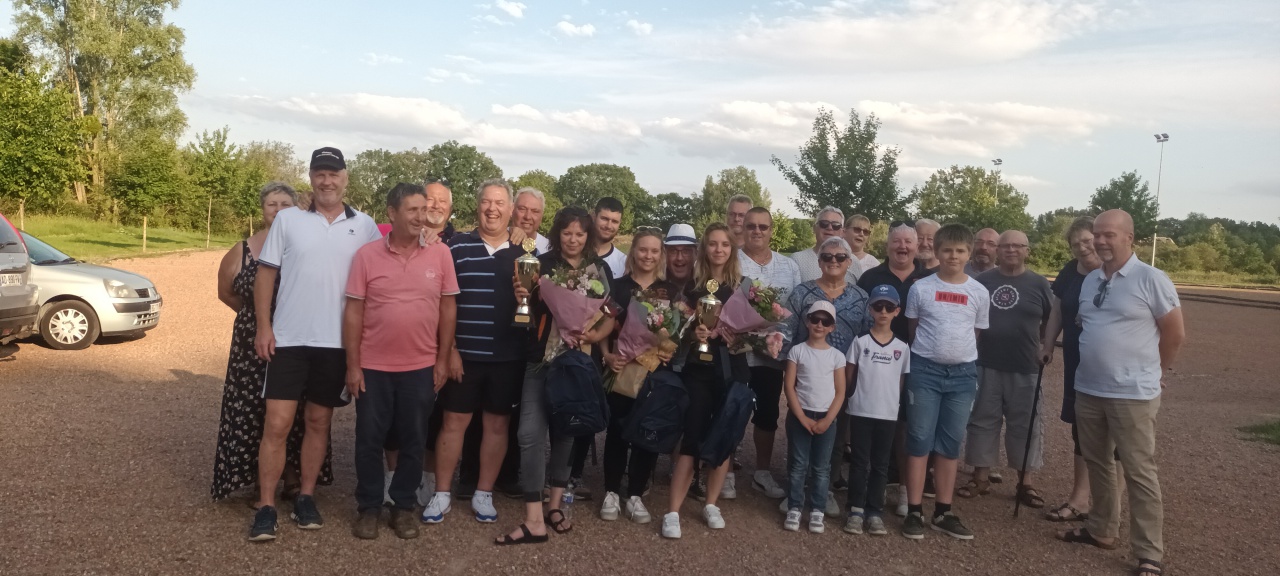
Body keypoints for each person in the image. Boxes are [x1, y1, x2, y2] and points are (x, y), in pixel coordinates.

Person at [248, 147, 382, 541]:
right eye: (320, 173)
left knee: (318, 422)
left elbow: (390, 259)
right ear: (310, 178)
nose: (327, 181)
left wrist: (426, 236)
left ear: (345, 178)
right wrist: (263, 326)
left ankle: (306, 496)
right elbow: (265, 275)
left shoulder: (365, 226)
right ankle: (266, 505)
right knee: (277, 424)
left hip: (336, 343)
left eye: (333, 173)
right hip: (288, 339)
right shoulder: (288, 220)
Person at [1057, 210, 1184, 576]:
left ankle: (1148, 552)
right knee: (1098, 462)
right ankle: (1101, 529)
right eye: (1097, 234)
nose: (1100, 241)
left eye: (1109, 234)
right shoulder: (1091, 280)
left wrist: (1157, 372)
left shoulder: (1151, 279)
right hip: (1088, 387)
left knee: (1139, 470)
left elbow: (1174, 333)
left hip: (1132, 393)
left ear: (1130, 237)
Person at [343, 183, 459, 540]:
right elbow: (354, 312)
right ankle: (369, 508)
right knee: (369, 439)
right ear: (391, 213)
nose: (421, 216)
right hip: (373, 366)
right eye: (412, 210)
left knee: (413, 439)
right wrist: (353, 365)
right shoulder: (366, 256)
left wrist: (442, 359)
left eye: (424, 209)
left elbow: (448, 309)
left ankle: (403, 507)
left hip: (420, 366)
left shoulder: (440, 255)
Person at [498, 206, 616, 545]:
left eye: (579, 234)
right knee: (529, 433)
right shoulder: (542, 264)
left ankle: (554, 506)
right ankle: (533, 517)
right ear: (557, 234)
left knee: (566, 431)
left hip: (578, 362)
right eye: (567, 233)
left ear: (588, 236)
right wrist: (522, 295)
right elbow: (529, 309)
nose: (573, 240)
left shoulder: (599, 268)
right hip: (540, 360)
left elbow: (611, 314)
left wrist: (593, 335)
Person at [213, 182, 334, 503]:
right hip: (251, 342)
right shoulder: (242, 249)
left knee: (296, 411)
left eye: (285, 204)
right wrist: (256, 317)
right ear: (262, 209)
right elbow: (225, 292)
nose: (278, 210)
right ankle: (258, 480)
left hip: (296, 338)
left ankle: (293, 476)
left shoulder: (302, 241)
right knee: (254, 410)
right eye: (272, 204)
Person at [423, 179, 529, 525]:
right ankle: (441, 493)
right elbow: (442, 303)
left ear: (510, 210)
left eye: (499, 203)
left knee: (497, 425)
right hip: (464, 355)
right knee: (453, 422)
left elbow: (535, 306)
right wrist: (450, 349)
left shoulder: (526, 252)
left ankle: (484, 493)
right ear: (477, 205)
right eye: (486, 202)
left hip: (507, 356)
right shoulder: (455, 247)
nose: (492, 209)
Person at [901, 223, 989, 541]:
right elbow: (914, 329)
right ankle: (914, 510)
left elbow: (975, 333)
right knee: (919, 439)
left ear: (969, 253)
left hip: (962, 375)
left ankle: (943, 511)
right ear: (937, 252)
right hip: (925, 371)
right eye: (947, 250)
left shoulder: (979, 292)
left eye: (960, 251)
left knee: (950, 444)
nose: (953, 256)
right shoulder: (920, 288)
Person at [662, 223, 749, 539]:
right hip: (697, 371)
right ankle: (673, 511)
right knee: (692, 436)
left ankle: (711, 503)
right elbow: (675, 332)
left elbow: (752, 337)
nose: (718, 250)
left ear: (731, 249)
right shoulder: (693, 289)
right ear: (704, 248)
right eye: (712, 244)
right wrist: (693, 333)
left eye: (724, 244)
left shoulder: (744, 289)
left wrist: (735, 336)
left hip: (732, 371)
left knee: (723, 437)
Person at [958, 230, 1052, 508]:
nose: (1011, 250)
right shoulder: (983, 281)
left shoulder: (1039, 283)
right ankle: (980, 477)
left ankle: (1025, 482)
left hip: (1025, 364)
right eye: (1005, 246)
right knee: (982, 420)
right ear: (997, 250)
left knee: (1026, 424)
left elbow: (1051, 318)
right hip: (986, 361)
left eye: (1017, 246)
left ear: (1027, 251)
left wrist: (1045, 345)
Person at [781, 237, 870, 504]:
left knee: (836, 432)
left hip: (842, 376)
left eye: (840, 257)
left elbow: (867, 337)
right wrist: (784, 360)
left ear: (849, 262)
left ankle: (825, 490)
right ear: (819, 262)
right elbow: (787, 330)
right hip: (806, 374)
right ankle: (795, 491)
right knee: (799, 430)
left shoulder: (861, 297)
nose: (834, 261)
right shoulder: (802, 293)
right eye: (827, 257)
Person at [598, 228, 676, 524]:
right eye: (643, 250)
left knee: (647, 431)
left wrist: (669, 350)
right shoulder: (618, 287)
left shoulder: (670, 291)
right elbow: (601, 322)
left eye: (654, 251)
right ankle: (610, 491)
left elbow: (676, 330)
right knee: (617, 431)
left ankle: (635, 494)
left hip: (654, 372)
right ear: (633, 252)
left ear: (661, 255)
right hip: (622, 368)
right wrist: (606, 354)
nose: (648, 256)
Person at [856, 221, 929, 515]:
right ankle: (875, 482)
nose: (902, 247)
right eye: (897, 241)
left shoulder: (928, 278)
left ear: (917, 246)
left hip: (916, 361)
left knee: (907, 425)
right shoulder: (870, 277)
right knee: (874, 421)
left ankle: (904, 489)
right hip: (875, 360)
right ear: (886, 246)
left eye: (908, 242)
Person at [1039, 217, 1103, 523]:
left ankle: (1106, 507)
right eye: (1076, 244)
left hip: (1110, 364)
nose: (1083, 248)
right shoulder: (1069, 271)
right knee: (1081, 428)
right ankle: (1080, 499)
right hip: (1077, 362)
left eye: (1087, 241)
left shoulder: (1116, 272)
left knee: (1112, 435)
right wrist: (1048, 345)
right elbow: (1057, 310)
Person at [737, 207, 801, 501]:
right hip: (737, 350)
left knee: (767, 412)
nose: (757, 231)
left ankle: (762, 472)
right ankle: (725, 469)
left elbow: (794, 311)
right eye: (751, 226)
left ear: (771, 230)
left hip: (772, 353)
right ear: (743, 228)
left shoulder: (789, 266)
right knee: (732, 408)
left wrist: (779, 340)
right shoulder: (732, 261)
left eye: (763, 226)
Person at [842, 285, 910, 537]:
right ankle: (856, 510)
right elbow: (849, 376)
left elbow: (900, 381)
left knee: (881, 465)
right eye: (878, 306)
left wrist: (892, 403)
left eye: (889, 307)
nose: (883, 311)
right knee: (859, 463)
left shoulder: (902, 347)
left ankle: (875, 512)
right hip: (861, 410)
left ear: (897, 311)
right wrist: (853, 398)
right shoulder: (860, 342)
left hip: (887, 413)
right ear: (870, 309)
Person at [781, 301, 847, 534]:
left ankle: (817, 509)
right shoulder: (797, 351)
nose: (819, 324)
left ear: (832, 327)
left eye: (825, 321)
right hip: (801, 415)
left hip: (826, 417)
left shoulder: (837, 356)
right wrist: (801, 416)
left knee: (821, 467)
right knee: (798, 464)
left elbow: (840, 391)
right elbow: (789, 386)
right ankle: (794, 506)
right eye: (815, 319)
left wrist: (828, 419)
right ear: (807, 322)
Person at [791, 206, 863, 283]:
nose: (829, 228)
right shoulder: (797, 260)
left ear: (842, 232)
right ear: (814, 228)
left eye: (836, 225)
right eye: (824, 224)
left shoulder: (853, 261)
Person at [594, 197, 627, 278]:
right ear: (594, 217)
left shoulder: (625, 263)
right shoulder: (576, 253)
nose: (609, 226)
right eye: (604, 219)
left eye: (614, 221)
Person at [513, 186, 551, 253]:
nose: (528, 217)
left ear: (542, 215)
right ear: (512, 210)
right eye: (522, 209)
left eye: (535, 211)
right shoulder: (498, 242)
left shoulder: (549, 249)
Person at [664, 223, 698, 297]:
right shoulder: (654, 286)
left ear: (696, 254)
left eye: (686, 251)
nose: (679, 258)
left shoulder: (705, 287)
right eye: (673, 251)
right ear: (665, 253)